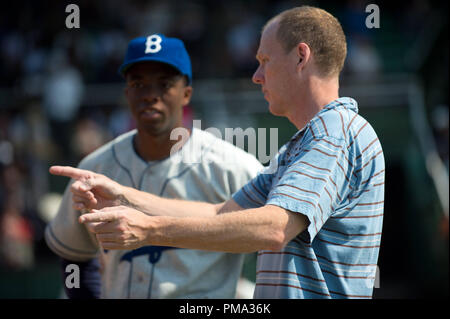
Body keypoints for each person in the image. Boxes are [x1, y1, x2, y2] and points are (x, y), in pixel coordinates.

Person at [50, 6, 385, 299]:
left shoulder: (334, 133)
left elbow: (273, 229)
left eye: (265, 61)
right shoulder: (299, 146)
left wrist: (148, 230)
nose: (256, 76)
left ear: (301, 56)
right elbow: (217, 214)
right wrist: (125, 195)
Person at [45, 34, 263, 298]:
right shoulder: (95, 167)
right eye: (139, 83)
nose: (150, 95)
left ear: (186, 93)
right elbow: (74, 256)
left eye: (164, 84)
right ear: (127, 93)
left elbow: (274, 242)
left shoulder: (234, 167)